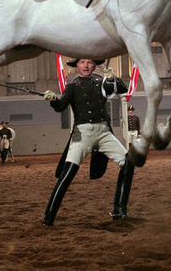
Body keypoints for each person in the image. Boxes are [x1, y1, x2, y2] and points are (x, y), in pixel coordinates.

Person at [40, 58, 134, 226]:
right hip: (81, 134)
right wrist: (53, 99)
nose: (86, 66)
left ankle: (119, 209)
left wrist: (113, 79)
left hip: (103, 132)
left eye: (89, 62)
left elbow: (122, 89)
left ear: (94, 66)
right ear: (77, 66)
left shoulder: (102, 81)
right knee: (67, 174)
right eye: (82, 62)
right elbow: (61, 105)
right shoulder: (72, 86)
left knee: (128, 163)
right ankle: (48, 218)